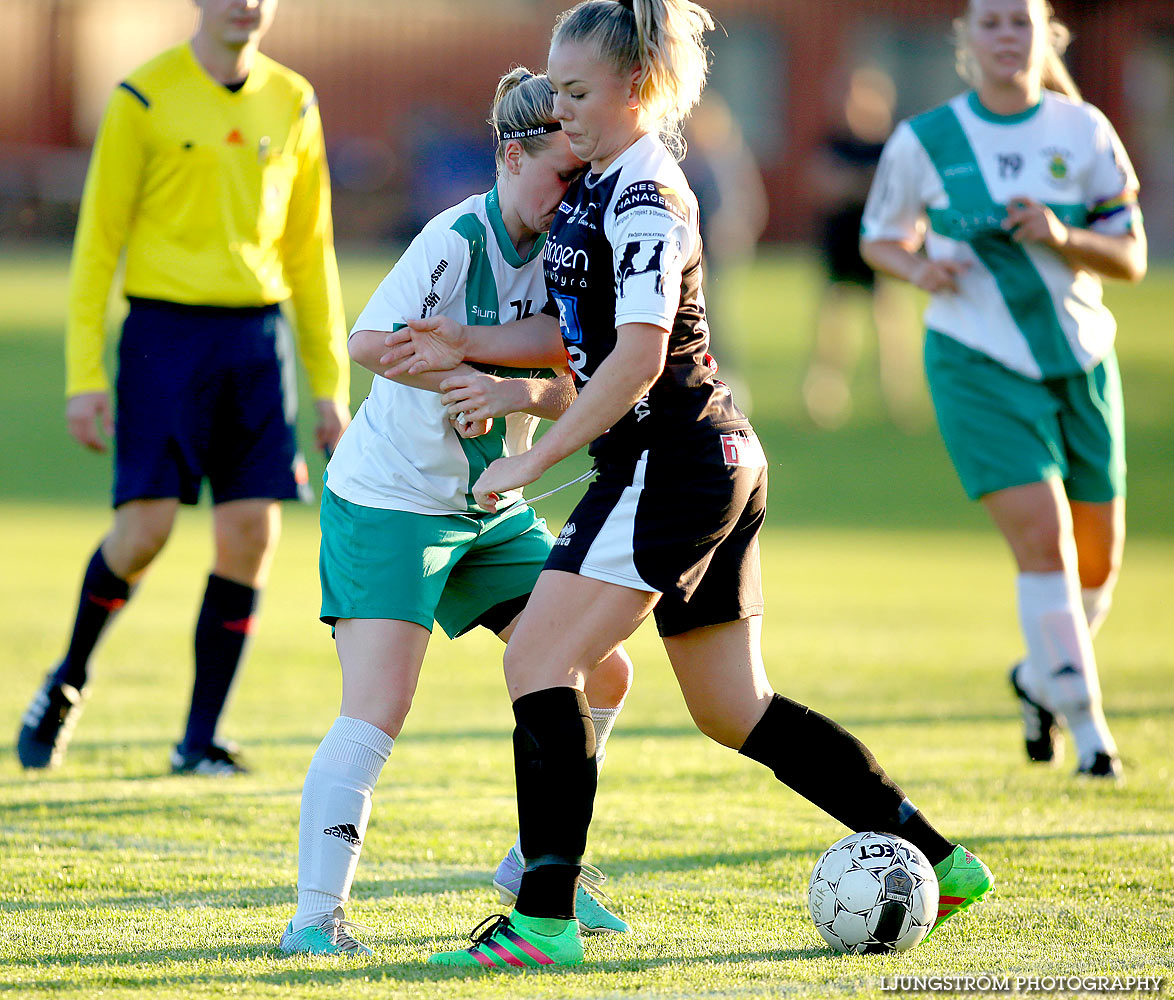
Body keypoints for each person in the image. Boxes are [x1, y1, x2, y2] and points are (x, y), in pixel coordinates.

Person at [384, 0, 993, 969]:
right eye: (553, 86)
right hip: (705, 460)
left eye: (577, 91)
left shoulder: (644, 194)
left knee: (537, 657)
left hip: (670, 462)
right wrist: (470, 342)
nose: (559, 108)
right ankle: (941, 858)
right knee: (730, 706)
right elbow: (574, 331)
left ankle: (542, 922)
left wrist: (536, 453)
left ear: (638, 88)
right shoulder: (597, 182)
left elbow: (632, 359)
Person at [276, 68, 633, 958]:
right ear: (511, 157)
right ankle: (315, 921)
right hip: (392, 501)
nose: (569, 199)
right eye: (559, 177)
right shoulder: (456, 238)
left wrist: (506, 388)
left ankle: (537, 865)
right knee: (379, 705)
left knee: (607, 669)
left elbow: (580, 380)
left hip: (491, 506)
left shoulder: (569, 249)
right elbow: (366, 343)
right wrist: (460, 377)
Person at [16, 0, 351, 776]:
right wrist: (83, 377)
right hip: (165, 339)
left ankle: (198, 739)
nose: (245, 4)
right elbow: (97, 242)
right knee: (145, 532)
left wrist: (329, 382)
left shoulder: (294, 99)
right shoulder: (142, 96)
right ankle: (67, 678)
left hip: (256, 342)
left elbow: (311, 252)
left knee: (251, 536)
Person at [860, 0, 1145, 779]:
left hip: (1081, 362)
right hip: (975, 362)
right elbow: (879, 236)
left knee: (1098, 564)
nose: (1006, 36)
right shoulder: (927, 139)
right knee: (1044, 543)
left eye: (1020, 22)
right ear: (967, 40)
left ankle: (1039, 676)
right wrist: (921, 268)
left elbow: (1132, 254)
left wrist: (1064, 235)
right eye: (991, 22)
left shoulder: (1082, 131)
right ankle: (1092, 738)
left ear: (1044, 35)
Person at [801, 66, 925, 431]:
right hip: (839, 248)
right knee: (832, 335)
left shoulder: (889, 145)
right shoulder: (833, 142)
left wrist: (851, 184)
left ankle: (898, 401)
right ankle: (824, 402)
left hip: (881, 251)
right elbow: (822, 184)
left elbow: (903, 192)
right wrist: (864, 184)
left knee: (890, 332)